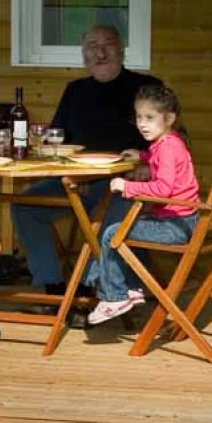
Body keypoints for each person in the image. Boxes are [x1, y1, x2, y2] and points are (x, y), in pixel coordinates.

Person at [11, 24, 162, 291]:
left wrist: (147, 163)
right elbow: (56, 141)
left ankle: (91, 289)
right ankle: (52, 284)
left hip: (124, 183)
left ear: (122, 50)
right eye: (92, 46)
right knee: (25, 208)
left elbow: (171, 138)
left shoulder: (146, 88)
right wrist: (68, 174)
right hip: (76, 181)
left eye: (108, 44)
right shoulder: (75, 90)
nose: (100, 52)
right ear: (84, 55)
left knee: (106, 220)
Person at [87, 85, 200, 325]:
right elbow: (159, 160)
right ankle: (132, 288)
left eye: (150, 117)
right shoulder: (169, 142)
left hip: (176, 226)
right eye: (139, 117)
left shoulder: (168, 146)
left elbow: (163, 189)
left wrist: (126, 187)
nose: (142, 124)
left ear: (169, 118)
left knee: (112, 233)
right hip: (182, 221)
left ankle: (114, 296)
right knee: (127, 228)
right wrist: (141, 156)